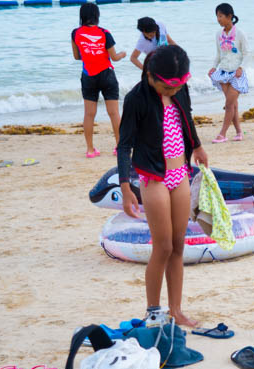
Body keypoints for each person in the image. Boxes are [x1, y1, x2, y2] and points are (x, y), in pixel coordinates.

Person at [117, 45, 209, 328]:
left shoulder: (179, 89)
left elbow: (187, 118)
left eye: (178, 85)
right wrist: (125, 186)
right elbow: (124, 146)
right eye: (168, 87)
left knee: (179, 245)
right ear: (151, 75)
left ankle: (177, 310)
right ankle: (154, 311)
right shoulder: (136, 99)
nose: (173, 91)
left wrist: (198, 146)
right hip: (152, 177)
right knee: (163, 246)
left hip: (180, 173)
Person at [71, 3, 126, 159]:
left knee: (89, 114)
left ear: (82, 16)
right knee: (114, 113)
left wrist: (90, 54)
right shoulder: (105, 33)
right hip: (107, 75)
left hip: (88, 75)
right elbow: (114, 58)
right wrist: (122, 54)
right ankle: (120, 147)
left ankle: (90, 150)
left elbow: (76, 56)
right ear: (97, 15)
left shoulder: (75, 33)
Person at [207, 3, 248, 142]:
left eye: (220, 16)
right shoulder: (218, 34)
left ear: (229, 16)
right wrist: (213, 67)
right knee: (233, 104)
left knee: (229, 104)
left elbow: (247, 53)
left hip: (237, 74)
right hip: (223, 73)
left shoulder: (240, 33)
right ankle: (239, 132)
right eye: (217, 16)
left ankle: (222, 134)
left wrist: (241, 68)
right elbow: (218, 54)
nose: (218, 19)